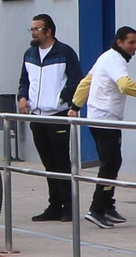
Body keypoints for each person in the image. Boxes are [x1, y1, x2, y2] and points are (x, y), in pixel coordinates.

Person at [18, 14, 82, 222]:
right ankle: (54, 205)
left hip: (57, 114)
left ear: (49, 31)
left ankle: (68, 206)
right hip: (37, 116)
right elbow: (24, 81)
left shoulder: (65, 52)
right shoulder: (29, 54)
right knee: (48, 162)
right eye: (32, 29)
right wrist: (22, 97)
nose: (33, 33)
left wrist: (61, 99)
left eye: (37, 29)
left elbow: (76, 80)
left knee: (61, 161)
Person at [72, 26, 136, 229]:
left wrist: (75, 106)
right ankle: (97, 209)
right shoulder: (115, 60)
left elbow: (87, 82)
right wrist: (75, 106)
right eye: (131, 43)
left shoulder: (105, 57)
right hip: (106, 119)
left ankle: (108, 205)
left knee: (111, 162)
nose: (134, 47)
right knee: (110, 163)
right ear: (120, 43)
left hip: (98, 118)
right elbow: (125, 85)